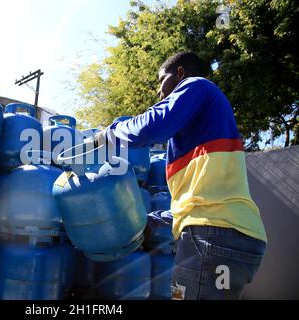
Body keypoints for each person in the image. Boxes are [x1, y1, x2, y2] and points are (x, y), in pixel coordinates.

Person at [92, 51, 267, 300]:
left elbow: (153, 124)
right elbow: (197, 202)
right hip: (231, 237)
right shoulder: (201, 139)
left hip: (213, 237)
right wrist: (152, 219)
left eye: (161, 81)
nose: (158, 93)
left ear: (181, 73)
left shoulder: (197, 86)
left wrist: (109, 134)